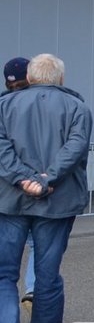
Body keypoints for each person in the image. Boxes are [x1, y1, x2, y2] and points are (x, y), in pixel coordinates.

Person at [0, 54, 92, 323]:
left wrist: (22, 179)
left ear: (29, 77)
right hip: (57, 203)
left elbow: (2, 150)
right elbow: (75, 148)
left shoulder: (4, 106)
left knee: (4, 275)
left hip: (10, 201)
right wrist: (46, 178)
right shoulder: (78, 108)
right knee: (47, 276)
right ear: (61, 79)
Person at [3, 57, 34, 306]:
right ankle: (33, 289)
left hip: (8, 193)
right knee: (38, 245)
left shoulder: (3, 106)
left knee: (5, 269)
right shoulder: (43, 106)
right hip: (40, 189)